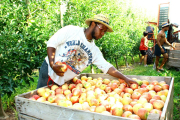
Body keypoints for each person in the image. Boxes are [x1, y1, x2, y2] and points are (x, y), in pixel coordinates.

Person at [36, 14, 137, 89]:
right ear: (93, 24)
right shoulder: (72, 31)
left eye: (104, 32)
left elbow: (107, 67)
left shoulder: (94, 51)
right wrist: (53, 64)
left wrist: (125, 78)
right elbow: (52, 44)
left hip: (64, 80)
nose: (102, 34)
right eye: (101, 29)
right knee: (38, 102)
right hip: (48, 71)